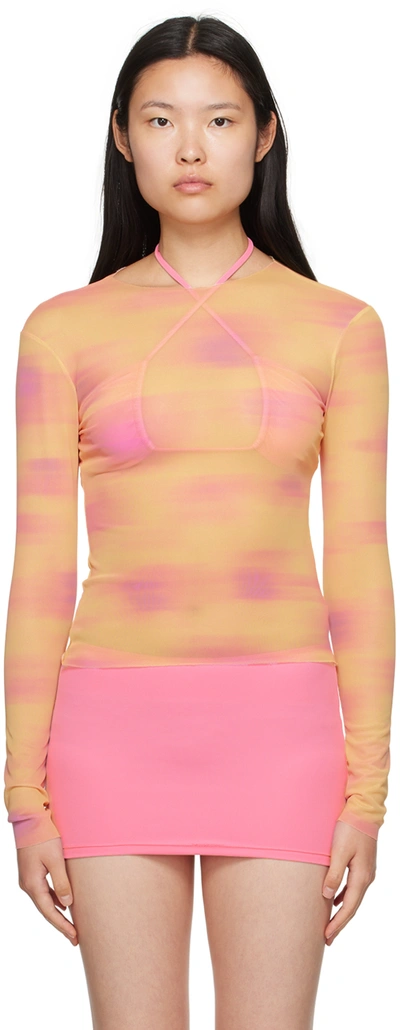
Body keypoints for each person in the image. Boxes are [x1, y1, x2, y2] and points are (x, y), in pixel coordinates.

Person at [3, 13, 395, 1030]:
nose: (190, 147)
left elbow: (359, 570)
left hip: (283, 733)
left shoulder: (341, 329)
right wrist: (24, 799)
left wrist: (367, 795)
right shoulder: (61, 331)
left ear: (263, 135)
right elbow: (41, 571)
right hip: (109, 734)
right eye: (160, 120)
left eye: (218, 119)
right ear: (121, 137)